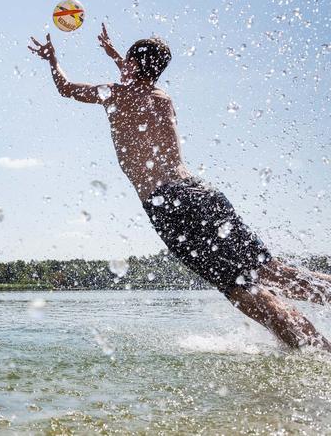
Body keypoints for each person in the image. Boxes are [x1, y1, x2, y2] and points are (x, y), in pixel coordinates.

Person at [29, 24, 331, 350]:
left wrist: (52, 60)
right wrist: (116, 54)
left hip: (169, 205)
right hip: (200, 193)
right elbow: (137, 78)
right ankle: (316, 349)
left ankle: (316, 352)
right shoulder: (161, 97)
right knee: (268, 273)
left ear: (132, 65)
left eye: (126, 61)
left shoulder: (115, 93)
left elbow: (65, 88)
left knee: (242, 290)